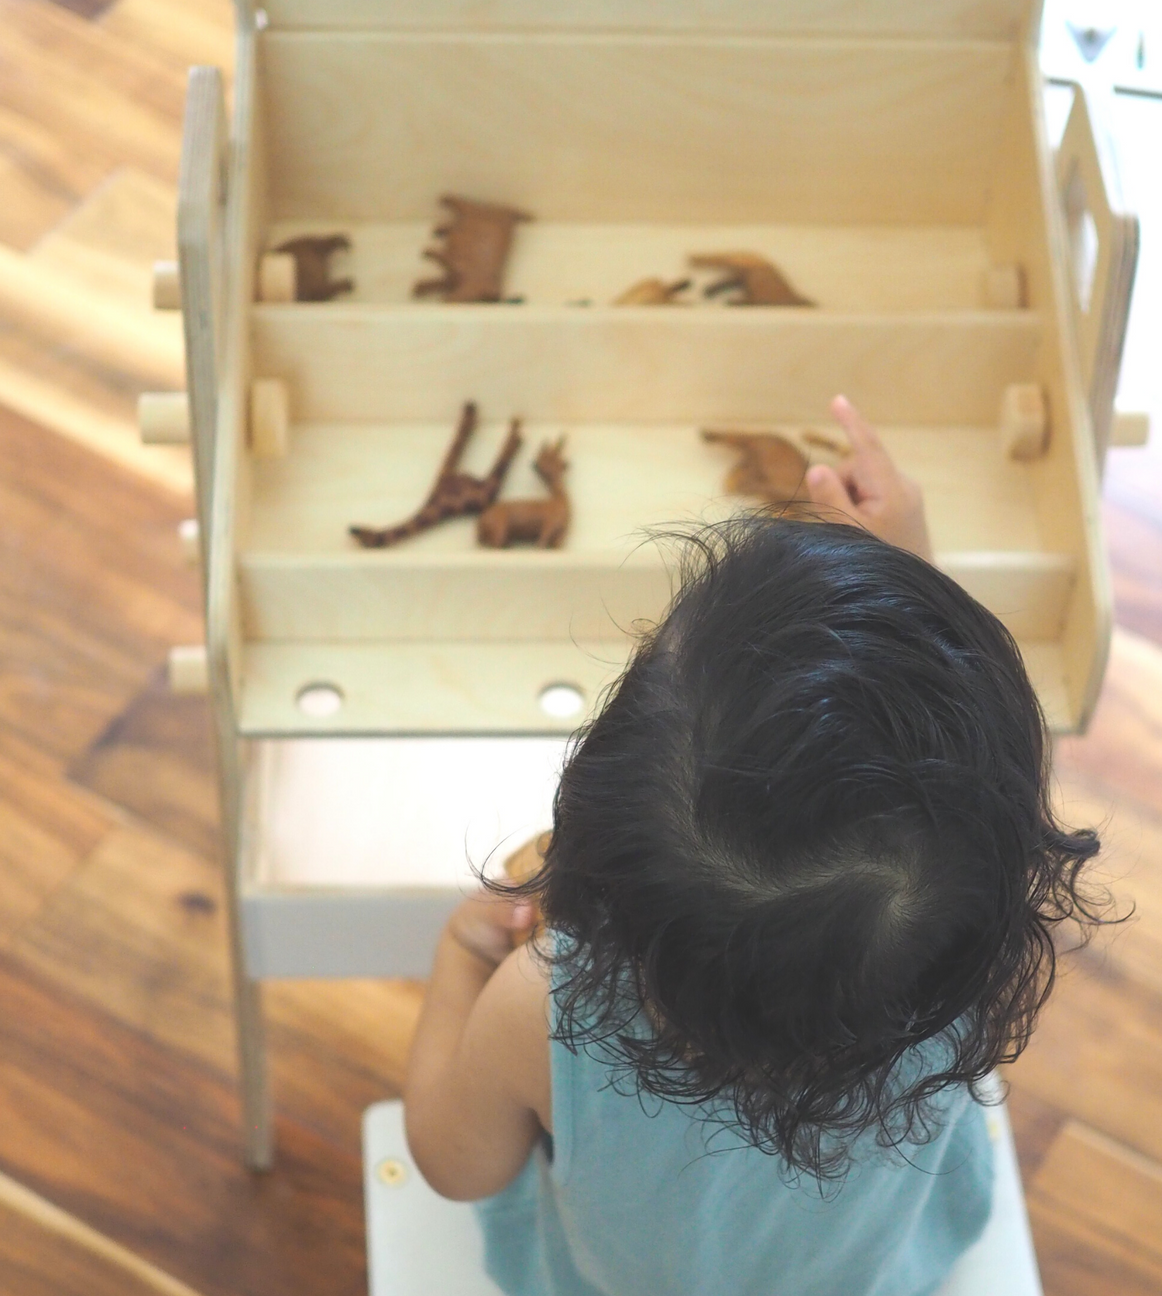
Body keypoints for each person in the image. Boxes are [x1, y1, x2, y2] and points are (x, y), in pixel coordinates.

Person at [404, 394, 1104, 1296]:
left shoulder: (535, 1006)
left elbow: (455, 1164)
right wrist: (901, 579)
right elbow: (957, 795)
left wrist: (460, 959)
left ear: (601, 842)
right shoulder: (953, 936)